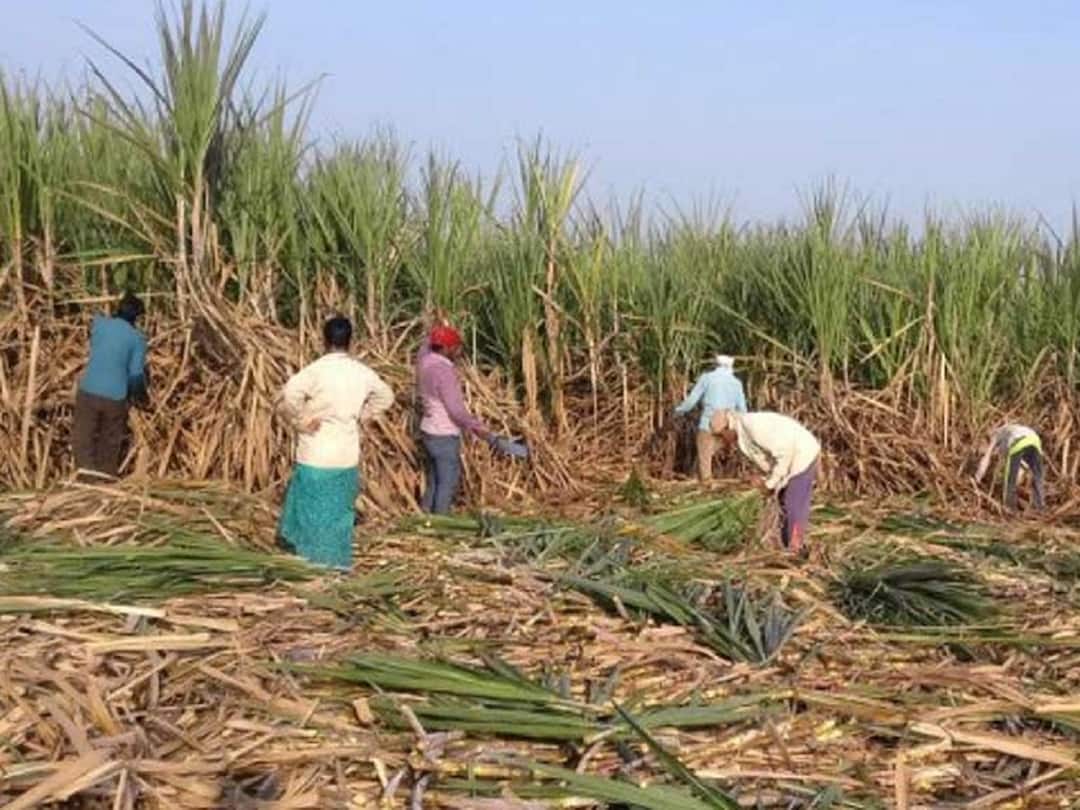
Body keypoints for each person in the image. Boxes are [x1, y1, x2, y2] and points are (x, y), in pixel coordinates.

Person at [277, 316, 394, 570]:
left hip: (316, 451)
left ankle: (309, 565)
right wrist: (365, 416)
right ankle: (335, 564)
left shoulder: (316, 370)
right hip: (345, 453)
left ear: (324, 339)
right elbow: (386, 396)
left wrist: (300, 420)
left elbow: (290, 394)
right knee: (339, 513)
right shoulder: (361, 372)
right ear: (350, 341)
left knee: (313, 512)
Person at [713, 409, 820, 555]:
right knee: (783, 503)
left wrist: (769, 484)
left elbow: (784, 453)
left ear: (728, 427)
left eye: (721, 436)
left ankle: (796, 548)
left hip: (802, 454)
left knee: (793, 504)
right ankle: (785, 545)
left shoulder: (753, 427)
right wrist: (766, 479)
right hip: (788, 459)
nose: (722, 440)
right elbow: (768, 459)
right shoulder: (742, 436)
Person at [72, 292, 149, 479]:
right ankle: (104, 480)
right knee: (110, 442)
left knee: (83, 437)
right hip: (114, 398)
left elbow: (95, 321)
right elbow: (136, 376)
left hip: (88, 391)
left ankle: (86, 477)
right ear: (137, 317)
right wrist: (142, 398)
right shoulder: (137, 339)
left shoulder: (100, 324)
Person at [416, 323, 489, 513]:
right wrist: (475, 425)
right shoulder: (443, 371)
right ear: (447, 348)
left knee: (435, 478)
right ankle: (442, 520)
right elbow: (455, 410)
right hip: (443, 433)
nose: (458, 351)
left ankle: (426, 516)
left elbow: (425, 346)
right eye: (456, 347)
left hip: (428, 431)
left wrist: (435, 332)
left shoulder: (424, 362)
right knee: (447, 480)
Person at [674, 354, 748, 481]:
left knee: (704, 457)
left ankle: (706, 486)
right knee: (713, 454)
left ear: (716, 364)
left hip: (708, 424)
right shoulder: (736, 383)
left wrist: (678, 410)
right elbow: (742, 409)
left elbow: (691, 401)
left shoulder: (707, 378)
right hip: (727, 427)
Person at [974, 423, 1045, 511]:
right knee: (1038, 477)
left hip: (1019, 442)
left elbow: (987, 458)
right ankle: (1040, 507)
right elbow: (1022, 464)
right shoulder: (1012, 428)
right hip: (1035, 441)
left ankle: (1009, 507)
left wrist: (977, 478)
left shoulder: (996, 434)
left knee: (1010, 479)